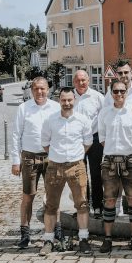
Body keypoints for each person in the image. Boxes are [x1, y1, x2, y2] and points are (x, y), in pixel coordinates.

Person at [40, 87, 94, 254]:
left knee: (82, 204)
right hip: (54, 167)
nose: (67, 103)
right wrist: (58, 156)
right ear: (59, 101)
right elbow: (45, 143)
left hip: (76, 166)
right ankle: (48, 240)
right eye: (63, 100)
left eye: (70, 100)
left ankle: (84, 239)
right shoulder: (50, 120)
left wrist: (74, 156)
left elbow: (88, 142)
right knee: (51, 205)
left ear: (74, 101)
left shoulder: (83, 120)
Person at [97, 82, 132, 253]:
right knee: (110, 200)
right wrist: (114, 150)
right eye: (116, 91)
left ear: (127, 92)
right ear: (111, 93)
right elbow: (102, 137)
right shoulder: (104, 113)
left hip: (130, 160)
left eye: (122, 91)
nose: (119, 94)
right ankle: (108, 238)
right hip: (109, 160)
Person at [10, 77, 59, 249]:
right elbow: (16, 134)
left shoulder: (55, 107)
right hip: (29, 157)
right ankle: (25, 232)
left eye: (43, 88)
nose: (40, 92)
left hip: (51, 156)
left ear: (48, 90)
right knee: (28, 196)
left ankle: (55, 232)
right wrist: (16, 161)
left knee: (53, 196)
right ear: (32, 90)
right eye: (36, 89)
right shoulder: (24, 108)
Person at [72, 70, 105, 219]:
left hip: (95, 138)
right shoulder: (69, 97)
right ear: (74, 82)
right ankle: (82, 206)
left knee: (96, 173)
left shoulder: (97, 97)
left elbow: (104, 118)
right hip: (76, 140)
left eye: (84, 80)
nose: (81, 83)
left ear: (88, 80)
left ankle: (98, 206)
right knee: (79, 176)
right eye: (78, 80)